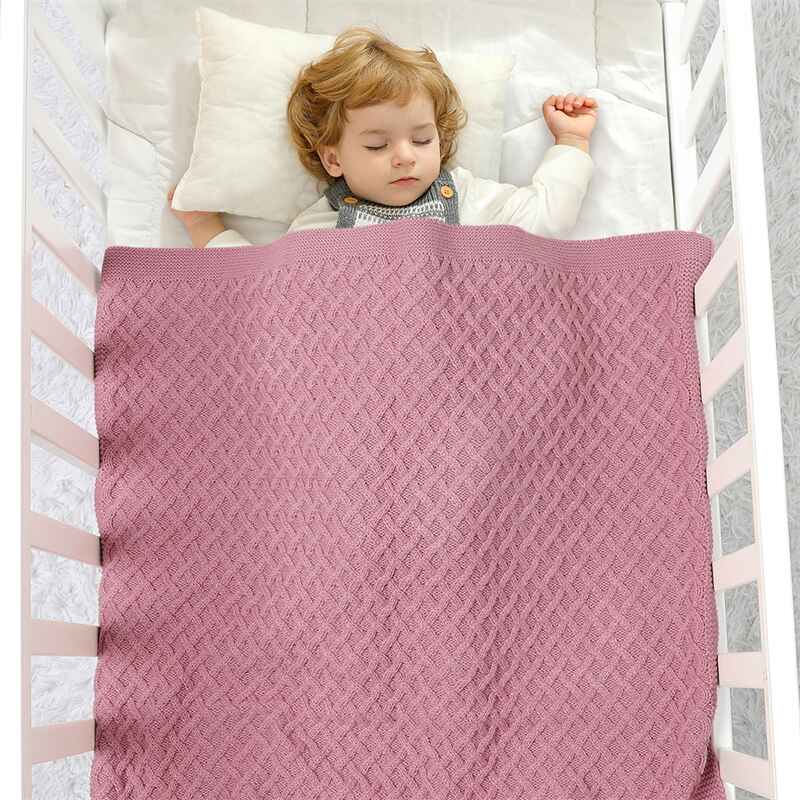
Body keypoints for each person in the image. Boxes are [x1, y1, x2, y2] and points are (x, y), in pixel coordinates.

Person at [168, 26, 599, 247]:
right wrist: (205, 227)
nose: (405, 156)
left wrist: (571, 143)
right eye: (377, 145)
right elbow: (263, 288)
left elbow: (548, 219)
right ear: (334, 159)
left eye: (423, 140)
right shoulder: (320, 227)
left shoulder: (468, 197)